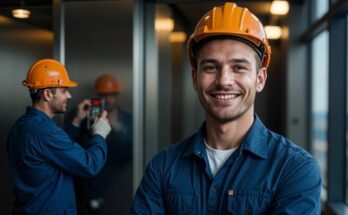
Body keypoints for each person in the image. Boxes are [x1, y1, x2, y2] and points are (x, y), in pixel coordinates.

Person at [131, 2, 321, 215]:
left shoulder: (294, 168)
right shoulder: (162, 168)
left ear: (260, 79)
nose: (224, 81)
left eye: (239, 67)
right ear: (195, 78)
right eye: (211, 67)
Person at [7, 59, 112, 215]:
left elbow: (53, 152)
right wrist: (99, 134)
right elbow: (89, 164)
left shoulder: (21, 126)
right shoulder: (46, 131)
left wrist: (76, 121)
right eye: (64, 90)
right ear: (48, 94)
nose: (69, 95)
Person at [67, 74, 133, 215]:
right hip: (86, 185)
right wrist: (83, 122)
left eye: (111, 95)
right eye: (104, 95)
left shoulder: (127, 120)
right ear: (98, 94)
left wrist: (115, 127)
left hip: (117, 184)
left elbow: (130, 154)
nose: (108, 100)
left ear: (117, 95)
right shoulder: (86, 115)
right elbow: (70, 147)